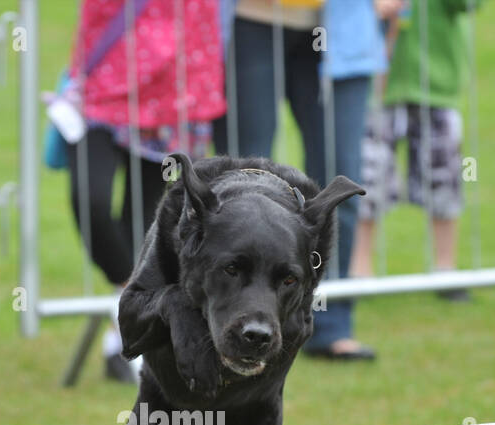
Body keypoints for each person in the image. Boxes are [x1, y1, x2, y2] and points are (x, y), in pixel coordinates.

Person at [61, 0, 225, 383]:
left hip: (175, 90)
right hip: (103, 83)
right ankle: (134, 304)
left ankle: (122, 338)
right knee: (91, 200)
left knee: (149, 223)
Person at [214, 0, 382, 361]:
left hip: (344, 25)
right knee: (241, 186)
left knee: (341, 183)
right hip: (250, 20)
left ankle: (332, 322)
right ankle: (236, 325)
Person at [354, 0, 478, 301]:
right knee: (367, 176)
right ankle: (360, 269)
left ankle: (445, 267)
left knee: (444, 175)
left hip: (436, 81)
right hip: (377, 83)